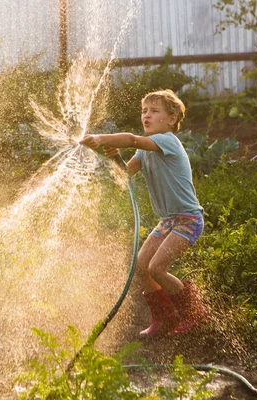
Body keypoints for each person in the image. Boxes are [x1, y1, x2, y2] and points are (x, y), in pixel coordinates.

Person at [80, 89, 207, 338]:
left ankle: (194, 312)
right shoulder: (145, 151)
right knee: (140, 267)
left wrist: (101, 138)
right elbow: (125, 176)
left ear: (171, 119)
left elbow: (132, 139)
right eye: (144, 111)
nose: (146, 116)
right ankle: (165, 316)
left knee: (157, 268)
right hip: (168, 221)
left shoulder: (168, 140)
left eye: (154, 111)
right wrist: (109, 156)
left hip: (187, 219)